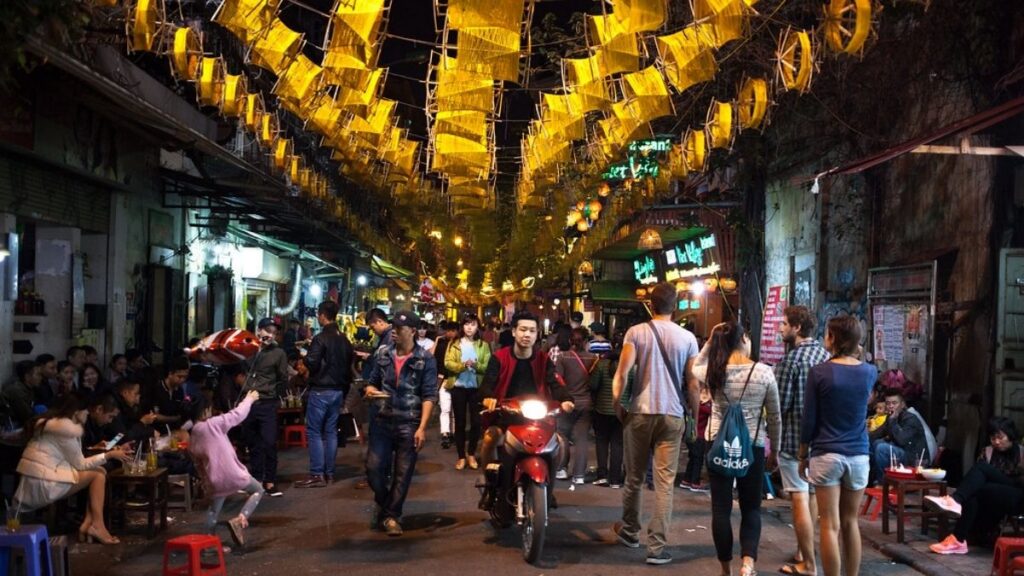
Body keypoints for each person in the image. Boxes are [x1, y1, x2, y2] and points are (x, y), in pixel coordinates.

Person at [611, 282, 700, 566]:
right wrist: (693, 416)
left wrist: (617, 403)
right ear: (676, 306)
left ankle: (630, 532)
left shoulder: (636, 333)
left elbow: (622, 373)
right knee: (664, 484)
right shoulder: (688, 338)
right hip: (672, 415)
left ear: (651, 305)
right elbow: (693, 384)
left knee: (634, 478)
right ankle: (657, 548)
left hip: (640, 412)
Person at [695, 321, 782, 576]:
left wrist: (711, 340)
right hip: (753, 447)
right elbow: (774, 417)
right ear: (744, 339)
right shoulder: (764, 373)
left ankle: (726, 569)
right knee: (751, 507)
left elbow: (694, 366)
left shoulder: (713, 371)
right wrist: (775, 450)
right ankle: (748, 564)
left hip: (717, 444)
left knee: (721, 509)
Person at [799, 315, 877, 576]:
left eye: (826, 333)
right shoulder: (870, 372)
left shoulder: (819, 372)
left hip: (826, 455)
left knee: (829, 524)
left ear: (832, 338)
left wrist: (802, 454)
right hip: (858, 455)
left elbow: (809, 418)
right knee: (850, 522)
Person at [14, 392, 131, 544]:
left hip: (36, 481)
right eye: (85, 411)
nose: (87, 414)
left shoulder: (54, 425)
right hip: (44, 485)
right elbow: (80, 464)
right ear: (77, 412)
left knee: (99, 472)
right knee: (98, 475)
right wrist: (109, 455)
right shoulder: (65, 431)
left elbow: (74, 457)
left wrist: (102, 451)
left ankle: (89, 524)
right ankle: (97, 525)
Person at [364, 310, 438, 537]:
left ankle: (391, 516)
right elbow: (372, 382)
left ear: (413, 331)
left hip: (409, 421)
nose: (394, 332)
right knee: (373, 468)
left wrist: (422, 428)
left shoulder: (425, 359)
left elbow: (429, 396)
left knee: (402, 473)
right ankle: (385, 503)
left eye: (399, 328)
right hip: (382, 419)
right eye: (393, 327)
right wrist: (370, 391)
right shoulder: (383, 353)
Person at [478, 311, 574, 477]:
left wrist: (566, 399)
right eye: (523, 329)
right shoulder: (499, 357)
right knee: (490, 438)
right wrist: (488, 398)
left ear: (537, 334)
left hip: (538, 418)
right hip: (506, 416)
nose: (527, 334)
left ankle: (550, 480)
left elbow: (554, 382)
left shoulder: (543, 359)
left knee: (560, 441)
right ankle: (488, 480)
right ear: (514, 331)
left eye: (532, 330)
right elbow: (488, 383)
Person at [774, 305, 830, 576]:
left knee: (798, 498)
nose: (780, 328)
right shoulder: (828, 356)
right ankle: (802, 550)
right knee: (813, 495)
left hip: (795, 441)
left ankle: (807, 561)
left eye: (784, 323)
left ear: (797, 328)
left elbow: (779, 405)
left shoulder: (791, 361)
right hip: (823, 441)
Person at [926, 417, 1024, 554]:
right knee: (973, 491)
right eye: (993, 438)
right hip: (992, 494)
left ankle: (954, 500)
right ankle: (958, 540)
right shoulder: (988, 452)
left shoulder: (1021, 452)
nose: (996, 442)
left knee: (982, 468)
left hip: (1017, 493)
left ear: (1010, 435)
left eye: (1001, 437)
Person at [190, 390, 265, 549]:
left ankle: (209, 546)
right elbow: (237, 415)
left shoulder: (194, 434)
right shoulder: (213, 424)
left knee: (213, 511)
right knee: (258, 490)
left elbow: (198, 464)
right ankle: (240, 519)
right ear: (206, 410)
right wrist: (249, 399)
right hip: (233, 474)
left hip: (214, 478)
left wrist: (206, 484)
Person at [296, 300, 355, 488]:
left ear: (322, 316)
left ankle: (317, 474)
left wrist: (304, 356)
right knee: (330, 431)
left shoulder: (320, 338)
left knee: (314, 431)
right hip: (338, 390)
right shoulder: (344, 339)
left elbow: (312, 362)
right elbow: (350, 364)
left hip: (321, 390)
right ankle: (329, 473)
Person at [242, 318, 289, 497]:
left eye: (274, 333)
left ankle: (270, 480)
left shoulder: (279, 353)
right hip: (249, 402)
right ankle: (256, 480)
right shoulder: (248, 350)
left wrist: (275, 395)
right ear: (259, 331)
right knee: (253, 442)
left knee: (269, 442)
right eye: (267, 331)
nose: (270, 335)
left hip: (268, 402)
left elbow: (283, 378)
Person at [444, 313, 491, 470]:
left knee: (476, 422)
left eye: (473, 324)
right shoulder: (454, 343)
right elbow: (447, 363)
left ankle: (471, 454)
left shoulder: (483, 345)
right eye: (466, 324)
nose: (469, 327)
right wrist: (462, 366)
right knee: (460, 422)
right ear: (462, 326)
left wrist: (476, 365)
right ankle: (461, 457)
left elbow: (487, 366)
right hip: (458, 387)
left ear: (478, 327)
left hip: (476, 388)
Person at [554, 327, 599, 483]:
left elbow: (558, 380)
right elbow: (595, 383)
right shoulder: (594, 359)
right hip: (586, 403)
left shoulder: (562, 357)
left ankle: (561, 468)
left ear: (570, 340)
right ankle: (579, 474)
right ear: (586, 341)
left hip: (567, 403)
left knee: (562, 435)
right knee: (581, 439)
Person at [869, 389, 928, 483]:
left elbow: (902, 440)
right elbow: (877, 434)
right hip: (900, 454)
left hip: (914, 460)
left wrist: (893, 421)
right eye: (888, 403)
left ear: (902, 404)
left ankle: (882, 483)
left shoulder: (910, 419)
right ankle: (871, 480)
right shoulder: (891, 418)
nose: (890, 406)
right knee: (874, 443)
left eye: (894, 403)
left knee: (882, 448)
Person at [591, 350, 624, 488]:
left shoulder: (601, 365)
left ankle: (602, 476)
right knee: (618, 444)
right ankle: (615, 479)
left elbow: (593, 385)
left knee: (602, 442)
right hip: (622, 411)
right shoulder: (629, 367)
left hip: (602, 410)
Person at [679, 385, 711, 492]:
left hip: (691, 434)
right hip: (699, 434)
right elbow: (710, 412)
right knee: (698, 459)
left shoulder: (693, 403)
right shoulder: (703, 406)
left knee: (693, 458)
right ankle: (695, 483)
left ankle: (687, 480)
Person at [144, 356, 191, 428]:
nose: (182, 380)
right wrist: (175, 419)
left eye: (185, 377)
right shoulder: (156, 388)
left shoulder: (179, 390)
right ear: (170, 374)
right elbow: (154, 416)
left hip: (175, 428)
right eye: (179, 377)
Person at [433, 321, 458, 449]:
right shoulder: (441, 343)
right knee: (445, 408)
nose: (450, 333)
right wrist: (437, 340)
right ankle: (445, 433)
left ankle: (453, 433)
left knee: (455, 410)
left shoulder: (461, 344)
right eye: (448, 331)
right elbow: (431, 357)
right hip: (443, 380)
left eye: (453, 331)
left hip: (457, 380)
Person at [2, 360, 45, 431]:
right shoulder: (16, 390)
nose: (41, 378)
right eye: (38, 374)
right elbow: (26, 415)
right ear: (27, 377)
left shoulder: (29, 388)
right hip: (10, 425)